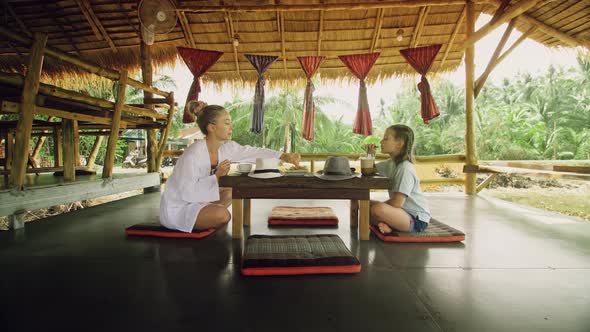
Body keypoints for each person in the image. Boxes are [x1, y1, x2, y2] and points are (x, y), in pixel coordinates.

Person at [160, 102, 300, 233]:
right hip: (179, 207)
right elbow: (187, 193)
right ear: (212, 128)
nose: (231, 127)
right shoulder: (193, 154)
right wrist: (216, 176)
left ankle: (208, 215)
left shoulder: (226, 148)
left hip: (199, 199)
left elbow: (252, 151)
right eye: (226, 123)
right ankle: (208, 216)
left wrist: (283, 156)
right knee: (223, 215)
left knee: (231, 192)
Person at [370, 124, 431, 234]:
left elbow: (397, 203)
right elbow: (370, 169)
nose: (381, 142)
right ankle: (388, 225)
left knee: (376, 209)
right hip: (400, 212)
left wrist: (379, 206)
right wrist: (370, 155)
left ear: (399, 143)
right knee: (365, 204)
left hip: (416, 218)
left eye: (386, 138)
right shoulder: (391, 163)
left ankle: (390, 225)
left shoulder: (405, 168)